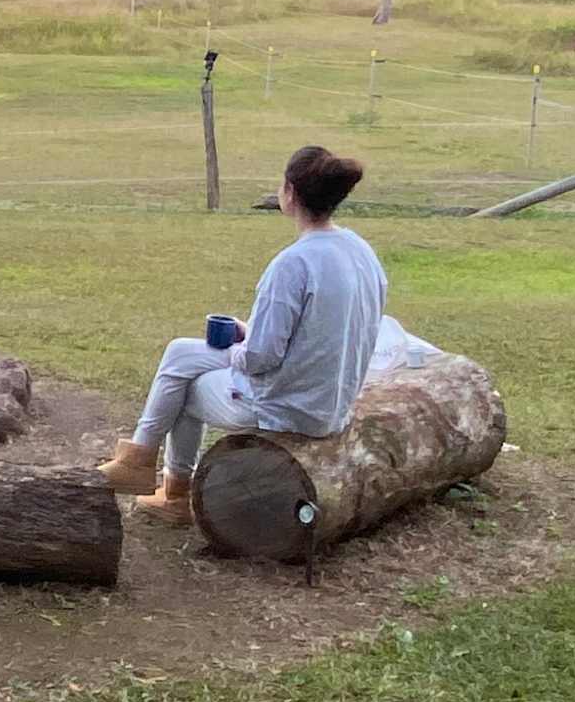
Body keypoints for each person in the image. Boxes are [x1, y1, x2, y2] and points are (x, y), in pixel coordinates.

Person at [101, 143, 385, 522]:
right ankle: (142, 460)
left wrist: (238, 349)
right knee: (180, 352)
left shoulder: (293, 264)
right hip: (331, 401)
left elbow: (260, 357)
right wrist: (248, 333)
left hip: (289, 407)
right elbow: (316, 331)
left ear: (289, 192)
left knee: (183, 387)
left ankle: (171, 488)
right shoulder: (361, 253)